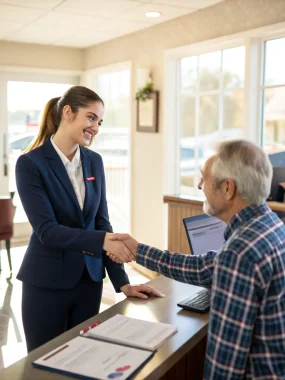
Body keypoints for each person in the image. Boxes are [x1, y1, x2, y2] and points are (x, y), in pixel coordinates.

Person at [108, 139, 285, 379]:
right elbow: (204, 268)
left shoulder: (239, 254)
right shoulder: (271, 226)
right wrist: (138, 250)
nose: (200, 185)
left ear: (227, 188)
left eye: (204, 178)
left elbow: (225, 365)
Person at [16, 85, 163, 352]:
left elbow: (101, 222)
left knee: (84, 356)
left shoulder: (94, 161)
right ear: (68, 113)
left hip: (89, 282)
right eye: (91, 117)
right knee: (43, 363)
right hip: (46, 283)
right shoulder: (30, 164)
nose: (95, 127)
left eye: (100, 121)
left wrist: (122, 282)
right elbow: (47, 231)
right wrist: (104, 241)